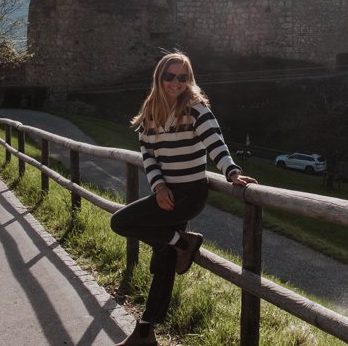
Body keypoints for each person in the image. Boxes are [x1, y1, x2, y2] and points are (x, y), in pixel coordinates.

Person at [110, 52, 257, 346]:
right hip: (167, 194)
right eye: (170, 76)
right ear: (159, 77)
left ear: (189, 80)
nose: (176, 82)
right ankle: (146, 333)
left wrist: (232, 173)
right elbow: (149, 157)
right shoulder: (150, 111)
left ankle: (182, 243)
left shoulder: (195, 108)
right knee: (164, 260)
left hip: (190, 195)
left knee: (120, 221)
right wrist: (159, 188)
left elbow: (215, 143)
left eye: (182, 77)